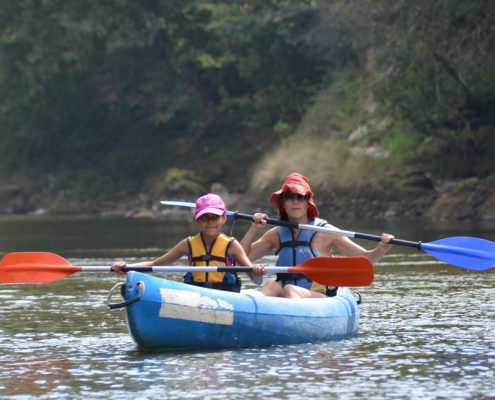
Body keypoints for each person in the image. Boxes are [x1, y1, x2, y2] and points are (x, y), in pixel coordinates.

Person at [240, 172, 394, 299]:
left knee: (291, 290)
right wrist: (253, 228)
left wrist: (381, 249)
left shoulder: (327, 232)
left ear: (308, 203)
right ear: (283, 203)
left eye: (300, 197)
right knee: (270, 285)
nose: (295, 202)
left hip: (318, 297)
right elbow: (241, 258)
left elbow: (366, 259)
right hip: (286, 295)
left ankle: (294, 325)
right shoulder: (276, 234)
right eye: (289, 197)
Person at [112, 193, 264, 292]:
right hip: (196, 296)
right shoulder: (187, 244)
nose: (210, 222)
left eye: (214, 217)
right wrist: (126, 267)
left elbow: (255, 279)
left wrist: (256, 270)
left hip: (227, 298)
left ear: (223, 218)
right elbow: (155, 264)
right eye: (205, 217)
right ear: (196, 220)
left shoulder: (232, 245)